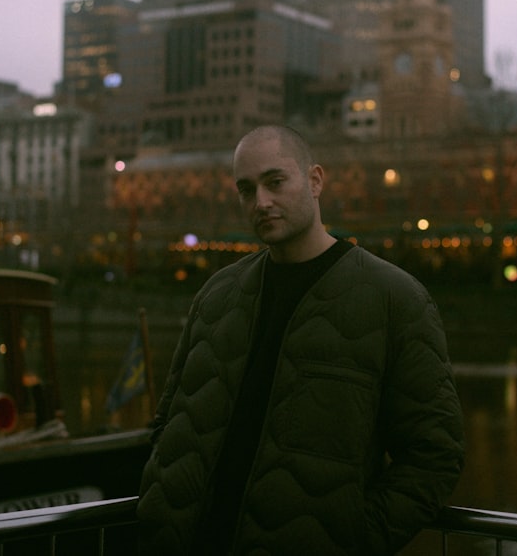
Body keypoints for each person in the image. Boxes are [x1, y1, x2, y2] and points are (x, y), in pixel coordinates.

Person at [136, 125, 464, 555]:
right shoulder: (217, 295)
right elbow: (168, 422)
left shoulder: (394, 298)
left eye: (275, 182)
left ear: (315, 181)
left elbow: (434, 456)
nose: (261, 202)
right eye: (246, 190)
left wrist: (352, 540)